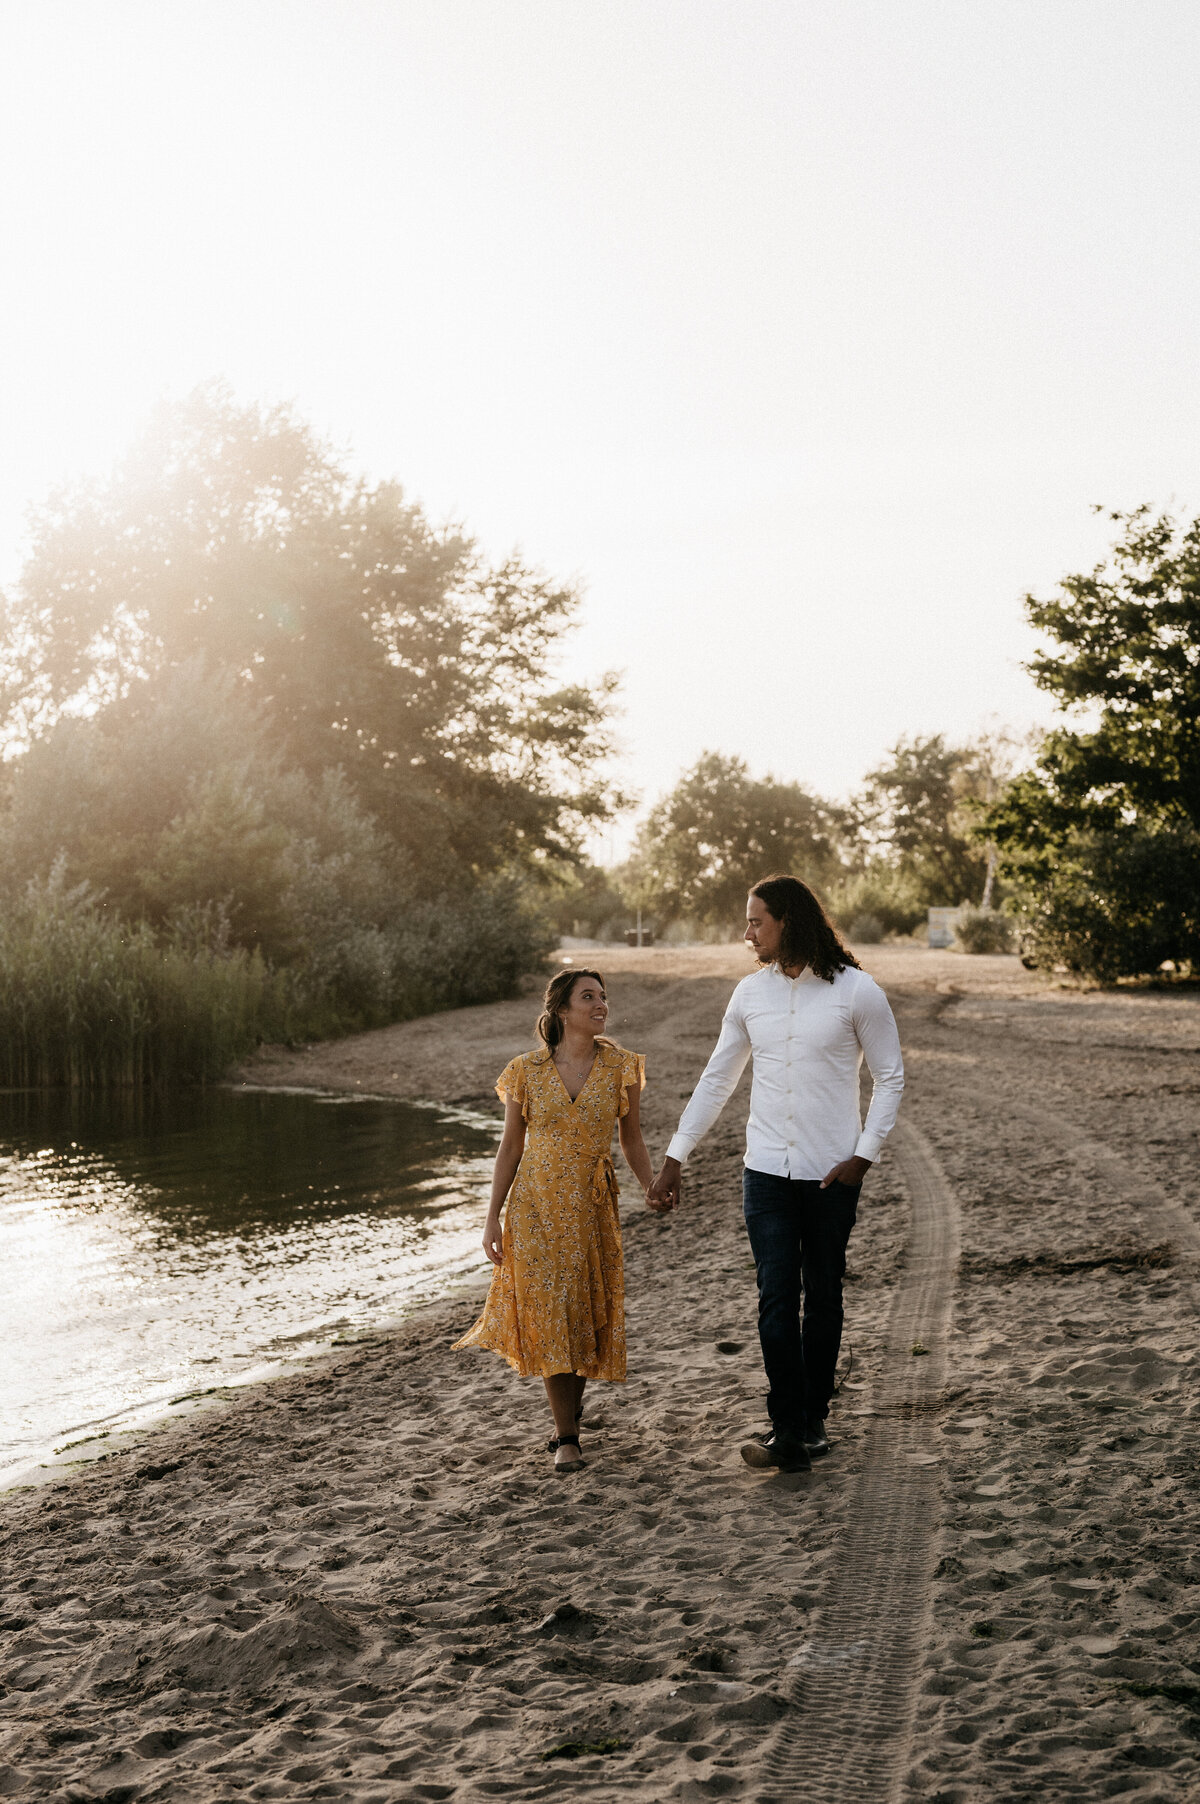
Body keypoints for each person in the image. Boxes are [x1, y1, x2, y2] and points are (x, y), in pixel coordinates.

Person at [648, 874, 903, 1474]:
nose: (747, 933)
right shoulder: (748, 995)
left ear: (787, 919)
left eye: (756, 921)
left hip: (831, 1175)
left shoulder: (856, 991)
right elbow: (718, 1078)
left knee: (824, 1297)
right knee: (774, 1298)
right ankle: (789, 1424)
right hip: (763, 1172)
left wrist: (863, 1156)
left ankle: (812, 1420)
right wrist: (675, 1156)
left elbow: (890, 1078)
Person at [454, 968, 661, 1472]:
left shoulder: (622, 1067)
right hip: (535, 1209)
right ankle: (564, 1435)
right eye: (588, 997)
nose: (601, 1004)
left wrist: (651, 1185)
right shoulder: (524, 1069)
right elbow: (510, 1147)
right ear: (562, 1010)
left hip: (592, 1207)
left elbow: (631, 1139)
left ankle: (569, 1408)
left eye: (603, 997)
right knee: (552, 1315)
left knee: (581, 1311)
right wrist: (490, 1220)